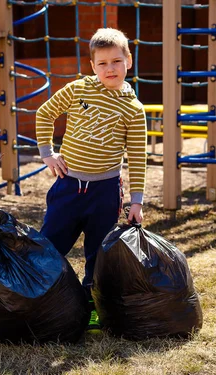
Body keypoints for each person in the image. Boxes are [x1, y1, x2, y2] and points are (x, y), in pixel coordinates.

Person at [35, 28, 147, 328]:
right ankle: (39, 302)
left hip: (105, 193)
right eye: (102, 63)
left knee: (99, 255)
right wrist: (48, 153)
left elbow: (137, 157)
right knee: (50, 246)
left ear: (129, 61)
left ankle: (93, 306)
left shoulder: (134, 110)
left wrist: (136, 201)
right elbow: (45, 113)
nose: (110, 68)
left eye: (116, 61)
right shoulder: (77, 90)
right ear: (92, 66)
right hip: (68, 187)